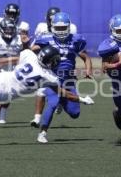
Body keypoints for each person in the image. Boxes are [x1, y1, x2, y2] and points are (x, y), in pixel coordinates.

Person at [31, 12, 93, 143]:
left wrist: (88, 71)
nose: (60, 31)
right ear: (52, 27)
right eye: (58, 28)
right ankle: (42, 133)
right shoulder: (45, 39)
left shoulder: (76, 40)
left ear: (68, 27)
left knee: (75, 113)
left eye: (63, 28)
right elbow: (32, 51)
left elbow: (86, 57)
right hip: (52, 78)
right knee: (52, 103)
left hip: (69, 80)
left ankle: (62, 100)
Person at [30, 7, 79, 127]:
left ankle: (61, 102)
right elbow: (34, 48)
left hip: (63, 68)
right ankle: (37, 118)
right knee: (41, 91)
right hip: (46, 66)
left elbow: (72, 51)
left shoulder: (70, 31)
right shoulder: (42, 29)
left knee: (74, 111)